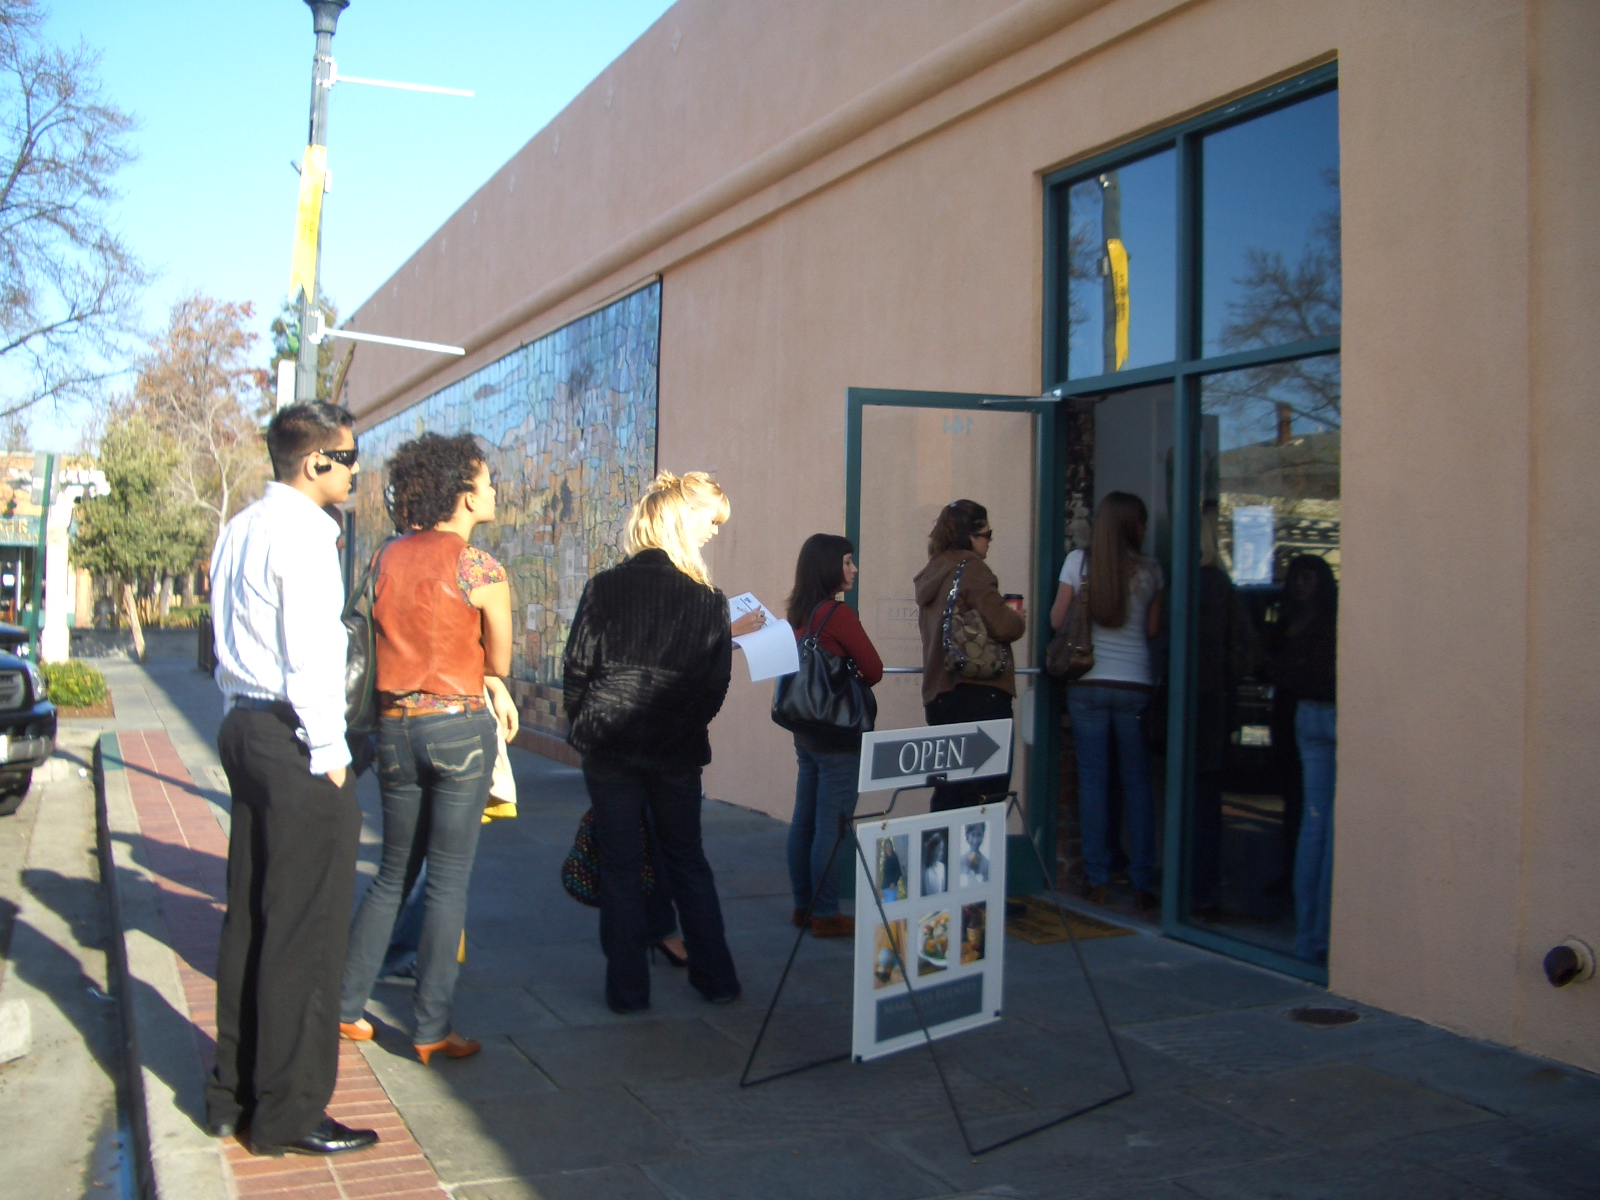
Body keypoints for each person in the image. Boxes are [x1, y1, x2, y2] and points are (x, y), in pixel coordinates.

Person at [206, 402, 377, 1157]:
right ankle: (290, 1110)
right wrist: (331, 751)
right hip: (296, 736)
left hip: (245, 725)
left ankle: (232, 1093)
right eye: (348, 457)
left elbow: (222, 635)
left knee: (249, 916)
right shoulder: (306, 535)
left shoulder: (242, 526)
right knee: (305, 934)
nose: (354, 471)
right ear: (314, 463)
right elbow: (310, 654)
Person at [337, 433, 520, 1065]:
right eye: (487, 481)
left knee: (393, 871)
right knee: (447, 881)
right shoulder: (480, 568)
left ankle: (344, 1005)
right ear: (464, 495)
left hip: (393, 728)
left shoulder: (386, 557)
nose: (494, 489)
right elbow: (497, 658)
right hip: (458, 726)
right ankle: (429, 1028)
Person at [563, 471, 741, 1013]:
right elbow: (714, 685)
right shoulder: (709, 600)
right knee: (687, 859)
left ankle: (627, 991)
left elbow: (576, 670)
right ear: (682, 519)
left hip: (610, 745)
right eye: (710, 521)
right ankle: (716, 978)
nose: (714, 532)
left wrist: (585, 726)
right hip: (675, 749)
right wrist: (685, 723)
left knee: (620, 867)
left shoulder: (603, 587)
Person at [1049, 491, 1164, 911]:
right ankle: (1141, 881)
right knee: (1137, 785)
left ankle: (1097, 878)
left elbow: (1057, 621)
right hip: (1134, 685)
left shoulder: (1078, 564)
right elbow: (1152, 631)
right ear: (1134, 525)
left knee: (1093, 784)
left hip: (1088, 685)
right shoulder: (1151, 570)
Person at [782, 534, 882, 938]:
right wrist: (850, 675)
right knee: (833, 823)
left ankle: (803, 906)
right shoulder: (838, 615)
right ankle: (826, 914)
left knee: (804, 818)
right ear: (828, 567)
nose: (853, 569)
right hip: (838, 734)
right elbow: (873, 669)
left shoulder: (798, 613)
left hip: (804, 729)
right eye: (846, 562)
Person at [914, 500, 1026, 811]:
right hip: (979, 695)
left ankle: (941, 858)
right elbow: (1004, 625)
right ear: (970, 536)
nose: (990, 540)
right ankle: (970, 861)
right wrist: (1018, 619)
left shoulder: (932, 572)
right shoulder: (973, 570)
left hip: (939, 696)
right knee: (984, 799)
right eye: (987, 533)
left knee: (949, 794)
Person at [1277, 554, 1337, 963]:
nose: (1300, 584)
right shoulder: (1331, 617)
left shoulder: (1290, 620)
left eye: (1307, 577)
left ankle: (1308, 937)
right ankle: (1317, 935)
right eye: (1296, 577)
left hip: (1306, 714)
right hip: (1326, 713)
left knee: (1316, 825)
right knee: (1326, 826)